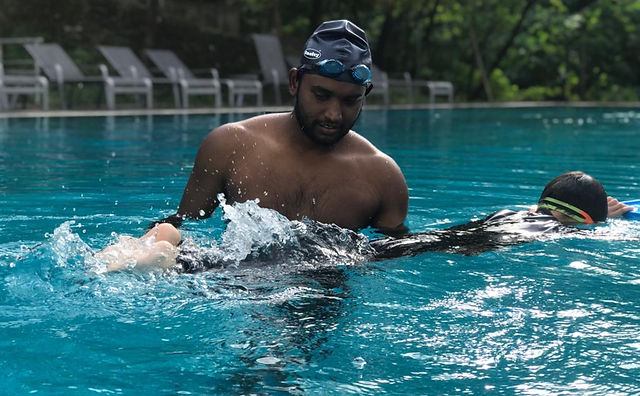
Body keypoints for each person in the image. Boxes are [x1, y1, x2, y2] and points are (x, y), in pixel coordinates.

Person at [157, 19, 408, 236]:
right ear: (294, 82)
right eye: (321, 95)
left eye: (350, 100)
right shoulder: (231, 146)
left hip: (328, 291)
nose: (333, 114)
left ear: (366, 94)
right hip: (241, 286)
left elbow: (391, 258)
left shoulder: (382, 178)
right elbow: (183, 228)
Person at [98, 171, 633, 272]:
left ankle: (169, 242)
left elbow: (560, 205)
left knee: (265, 258)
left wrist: (593, 208)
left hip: (402, 242)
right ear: (584, 220)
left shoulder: (522, 212)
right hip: (398, 255)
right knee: (257, 272)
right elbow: (573, 215)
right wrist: (602, 220)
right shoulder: (558, 232)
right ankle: (171, 256)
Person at [371, 171, 633, 258]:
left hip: (435, 237)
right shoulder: (562, 231)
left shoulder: (512, 213)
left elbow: (545, 211)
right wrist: (604, 222)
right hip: (477, 246)